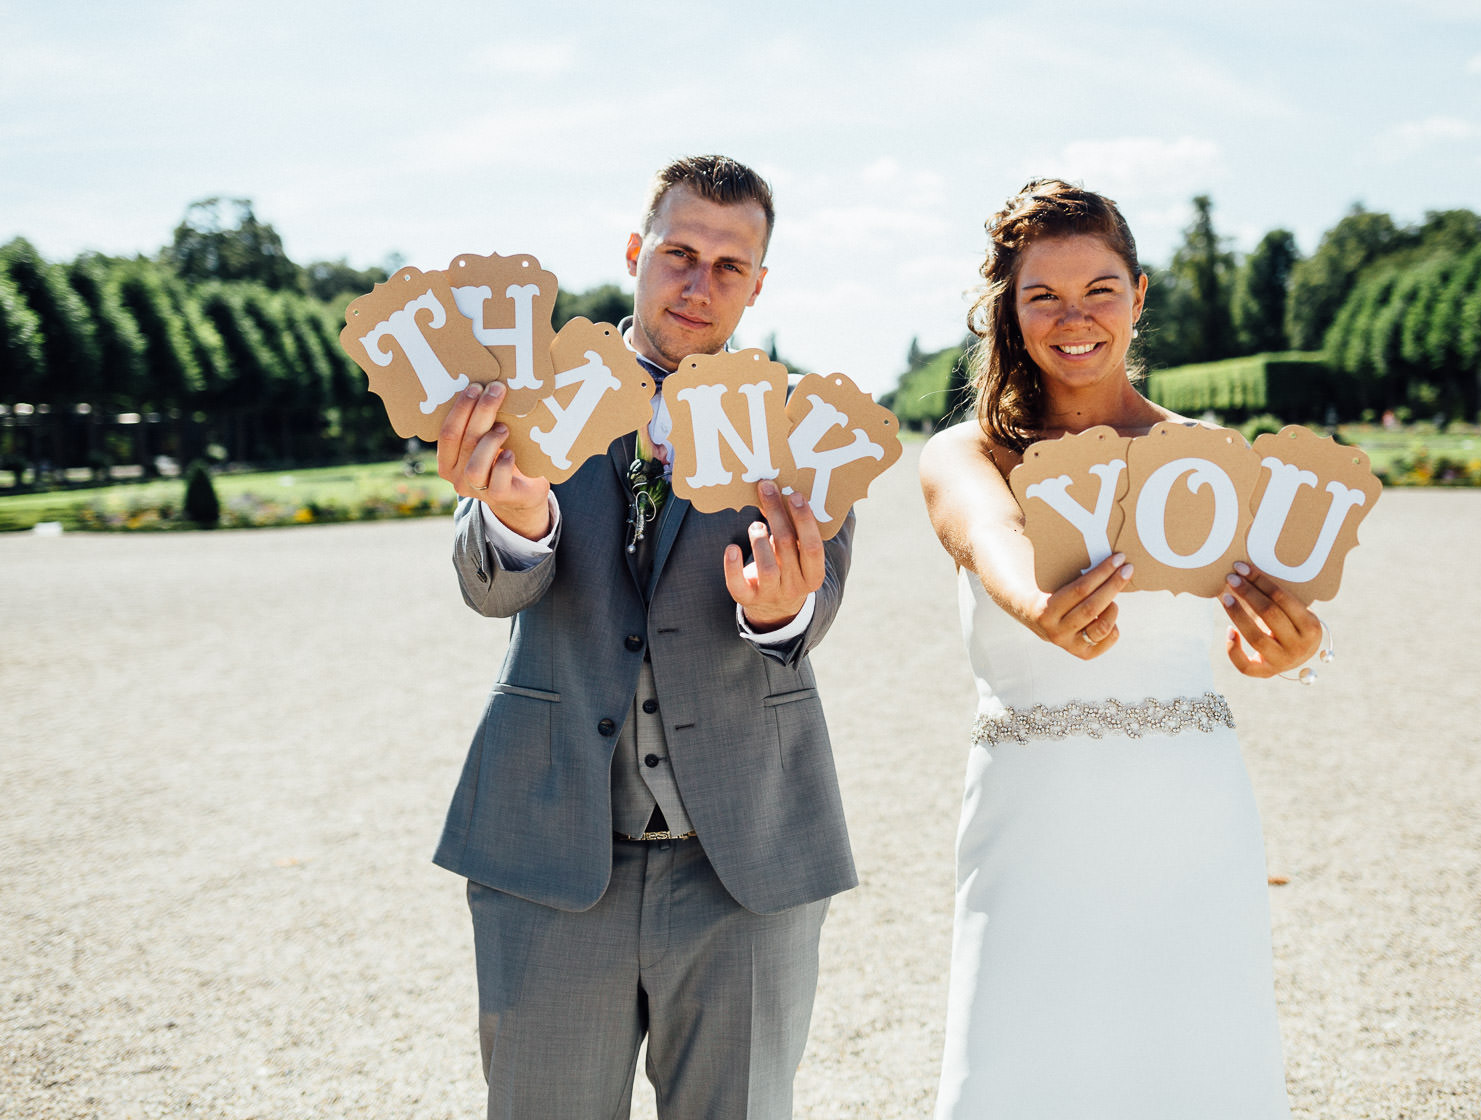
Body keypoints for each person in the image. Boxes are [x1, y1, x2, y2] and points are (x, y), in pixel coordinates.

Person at [430, 155, 857, 1120]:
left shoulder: (800, 426)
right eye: (677, 253)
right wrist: (516, 518)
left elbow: (810, 617)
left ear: (757, 284)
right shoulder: (532, 390)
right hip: (548, 848)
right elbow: (488, 585)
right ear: (635, 252)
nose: (697, 284)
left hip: (744, 857)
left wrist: (779, 605)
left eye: (728, 265)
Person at [918, 179, 1324, 1117]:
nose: (1075, 317)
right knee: (1017, 1058)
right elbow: (991, 542)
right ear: (1008, 314)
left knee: (1194, 1059)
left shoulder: (1216, 458)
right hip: (1031, 816)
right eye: (1042, 296)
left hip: (1192, 812)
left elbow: (1279, 606)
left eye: (1100, 289)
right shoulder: (967, 452)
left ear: (1139, 296)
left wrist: (1296, 648)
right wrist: (1039, 605)